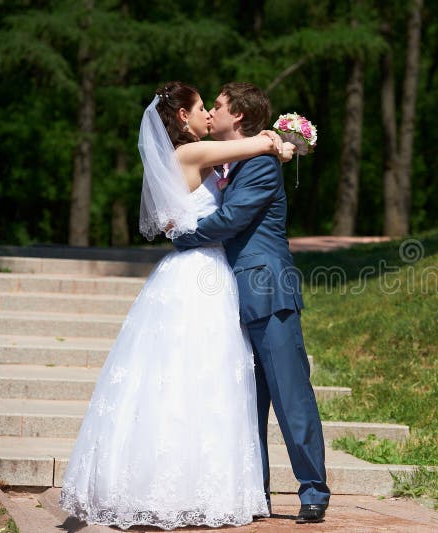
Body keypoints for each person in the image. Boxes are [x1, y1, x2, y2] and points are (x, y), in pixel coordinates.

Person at [60, 81, 294, 530]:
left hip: (204, 269)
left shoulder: (194, 157)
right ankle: (174, 485)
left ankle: (195, 482)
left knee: (203, 375)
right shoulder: (190, 155)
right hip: (198, 272)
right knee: (192, 372)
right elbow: (255, 144)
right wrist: (278, 143)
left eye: (213, 107)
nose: (209, 114)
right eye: (203, 108)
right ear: (183, 118)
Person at [173, 82, 330, 524]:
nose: (212, 113)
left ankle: (313, 489)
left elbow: (231, 219)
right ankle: (254, 493)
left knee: (289, 393)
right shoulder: (229, 162)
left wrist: (182, 238)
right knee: (245, 404)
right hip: (228, 300)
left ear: (238, 116)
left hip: (267, 293)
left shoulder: (259, 165)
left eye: (218, 106)